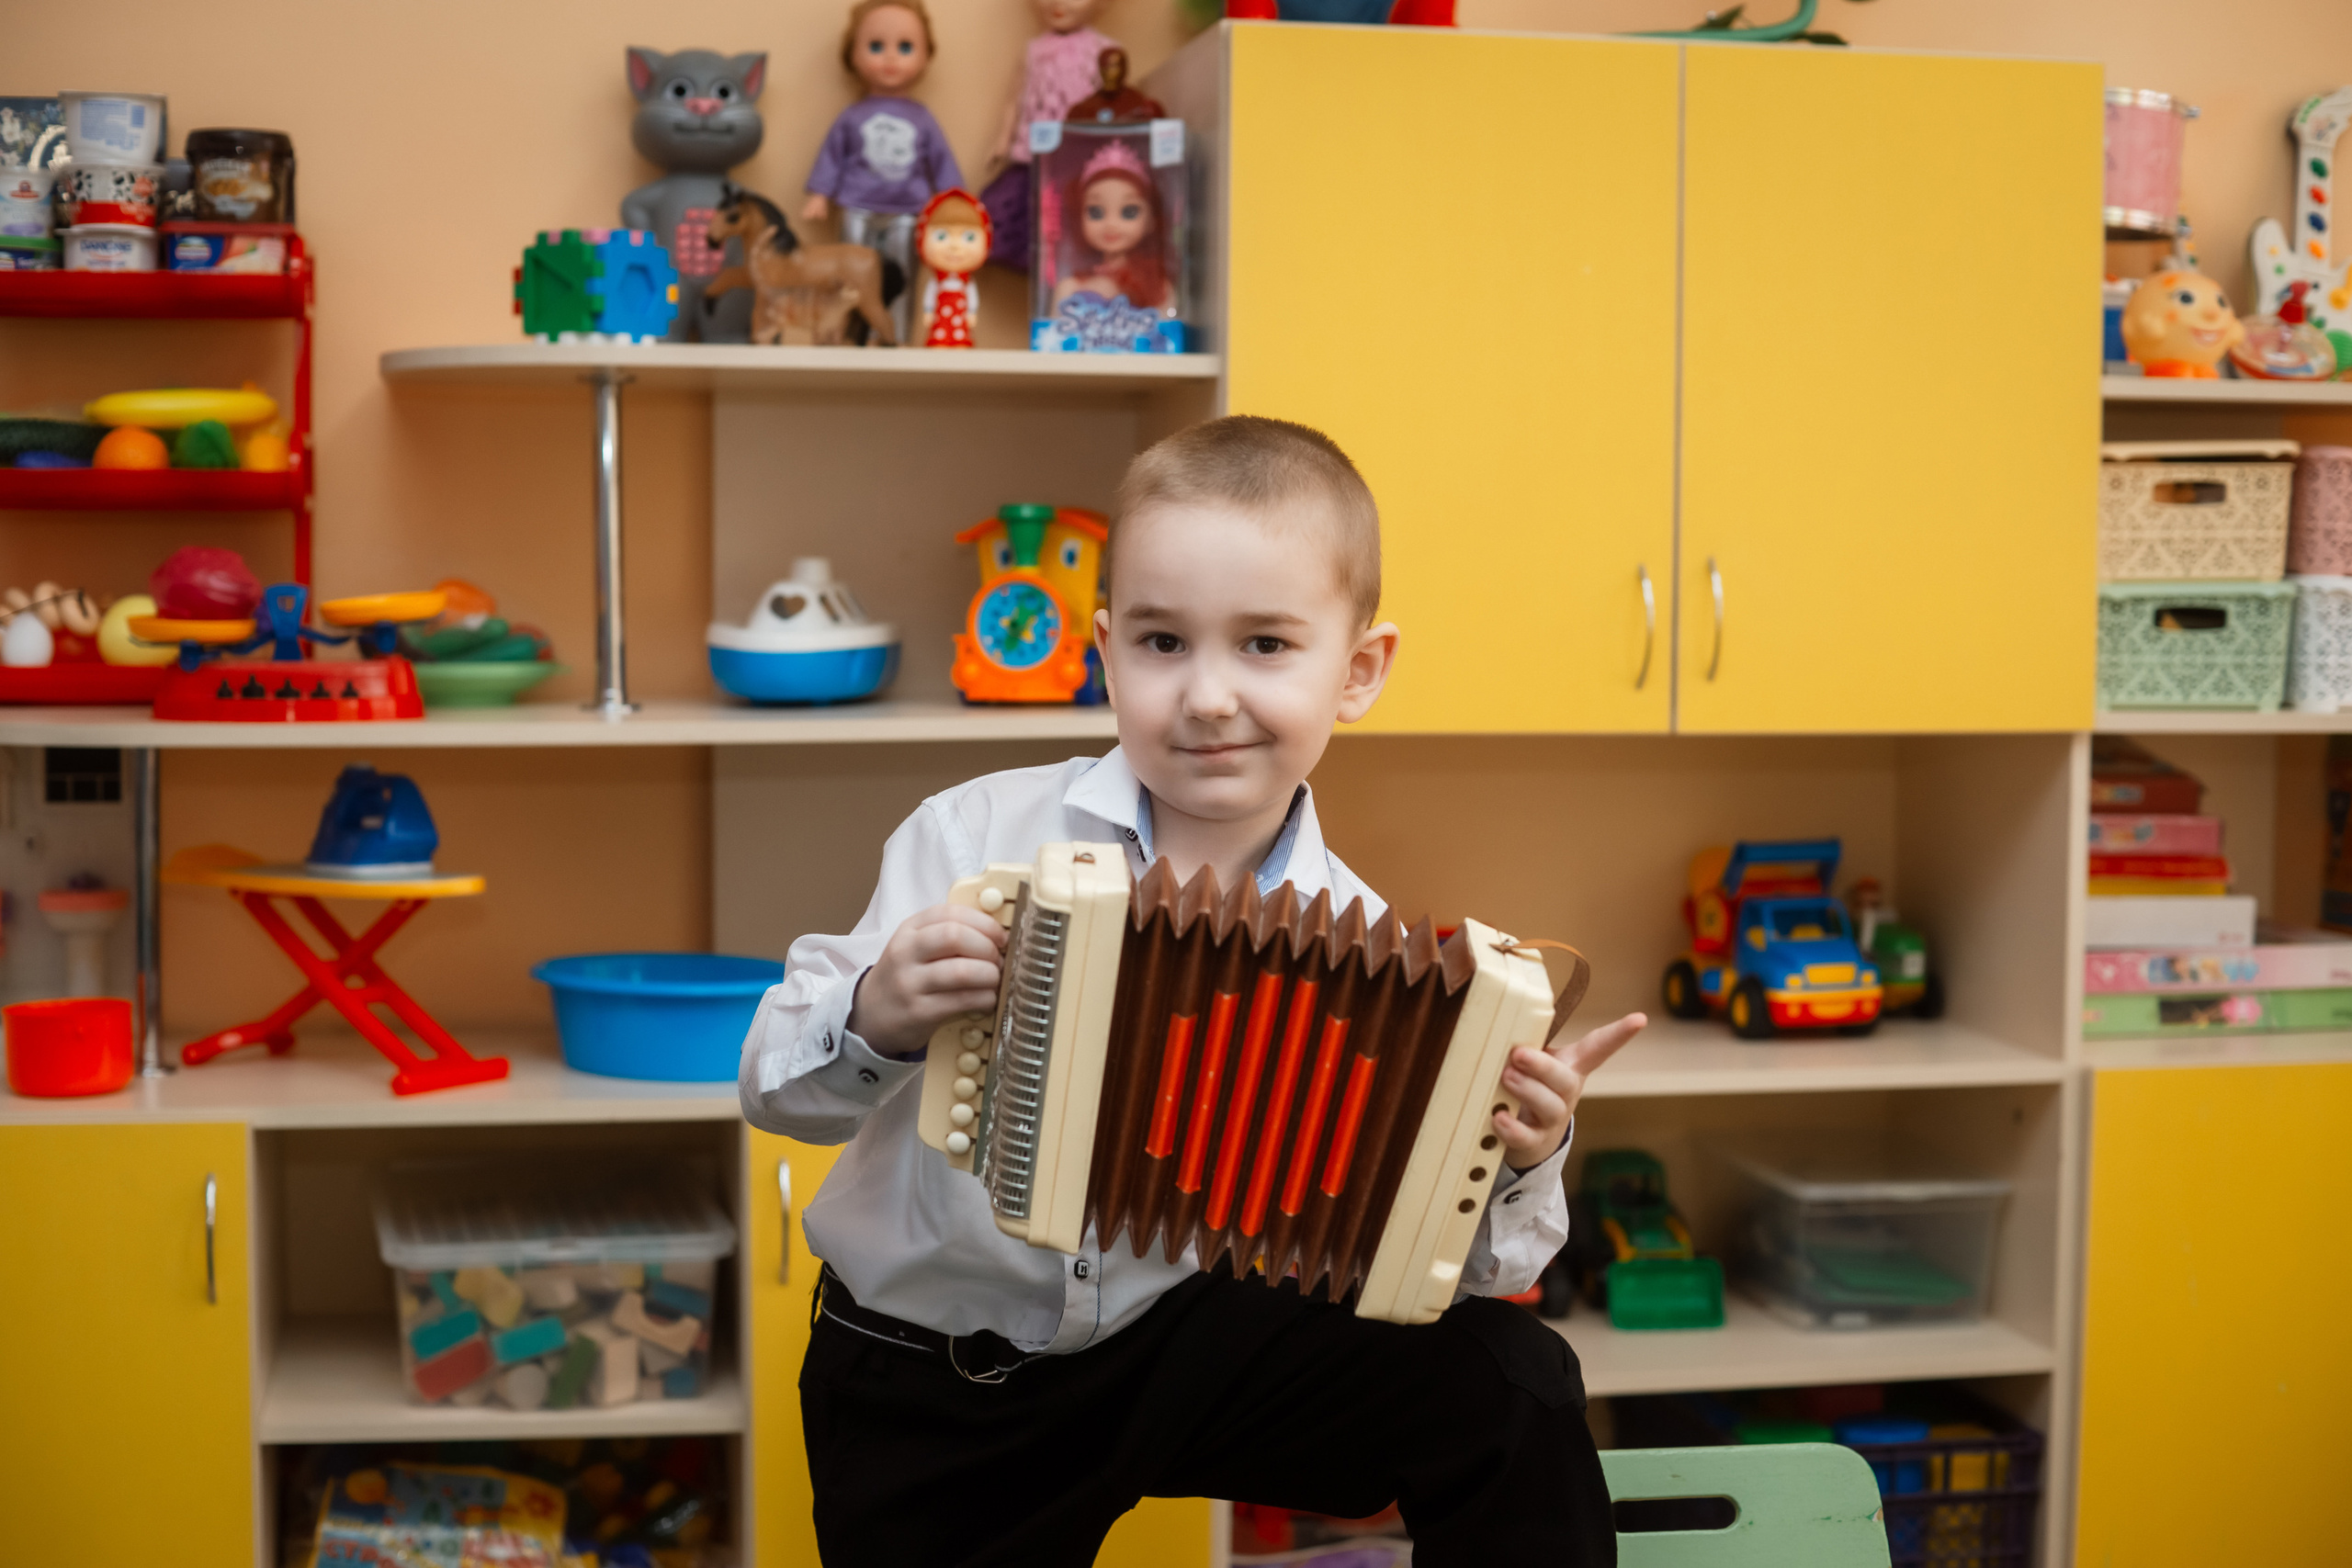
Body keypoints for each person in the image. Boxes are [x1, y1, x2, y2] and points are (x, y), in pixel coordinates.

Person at [739, 414, 1645, 1568]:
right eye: (1164, 644)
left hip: (1177, 1348)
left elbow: (1468, 1273)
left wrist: (1521, 1158)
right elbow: (775, 1088)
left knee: (1508, 1379)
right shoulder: (970, 837)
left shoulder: (1367, 951)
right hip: (935, 1373)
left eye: (1266, 645)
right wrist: (876, 1013)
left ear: (1357, 671)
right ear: (1107, 652)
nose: (1209, 696)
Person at [804, 0, 964, 345]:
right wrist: (820, 194)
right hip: (856, 207)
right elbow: (832, 155)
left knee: (901, 278)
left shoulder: (922, 118)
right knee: (847, 275)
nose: (891, 57)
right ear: (853, 55)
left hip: (907, 213)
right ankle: (848, 334)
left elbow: (941, 161)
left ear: (924, 57)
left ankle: (897, 336)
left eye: (905, 47)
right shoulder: (852, 116)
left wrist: (954, 204)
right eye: (876, 46)